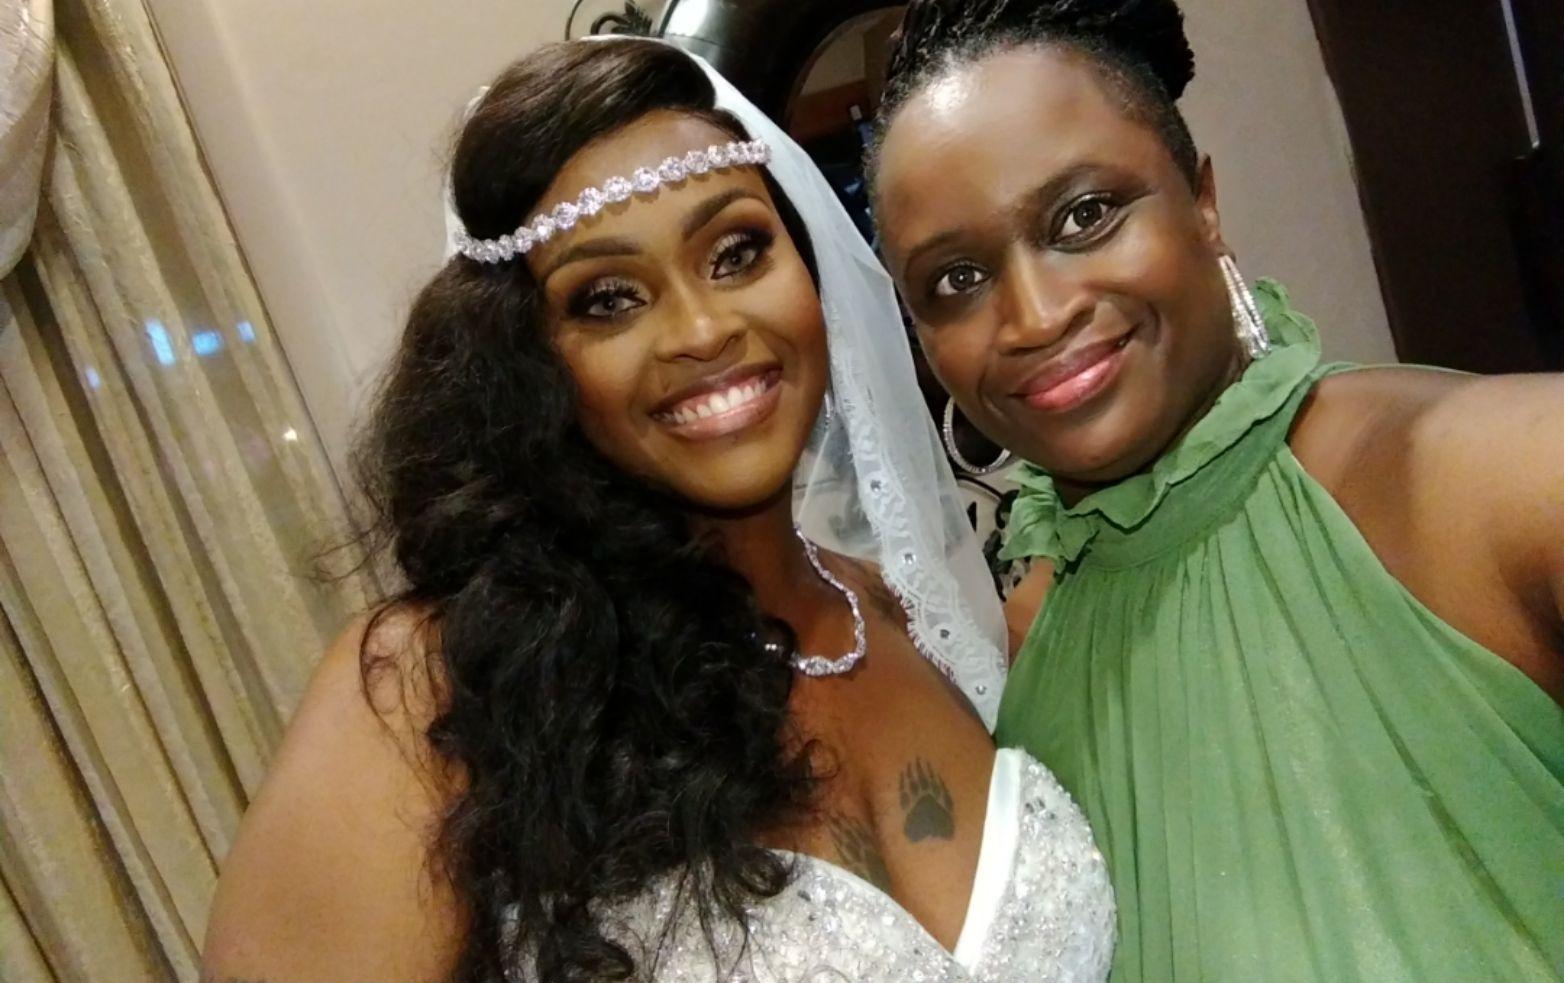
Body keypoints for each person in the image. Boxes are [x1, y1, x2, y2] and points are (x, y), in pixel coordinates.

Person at [200, 38, 1115, 983]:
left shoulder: (916, 618)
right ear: (530, 362)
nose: (703, 329)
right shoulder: (436, 688)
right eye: (609, 300)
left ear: (810, 270)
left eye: (737, 253)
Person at [867, 1, 1564, 981]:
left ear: (1203, 203)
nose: (1034, 315)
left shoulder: (1487, 477)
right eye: (956, 279)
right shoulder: (1035, 636)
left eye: (1084, 215)